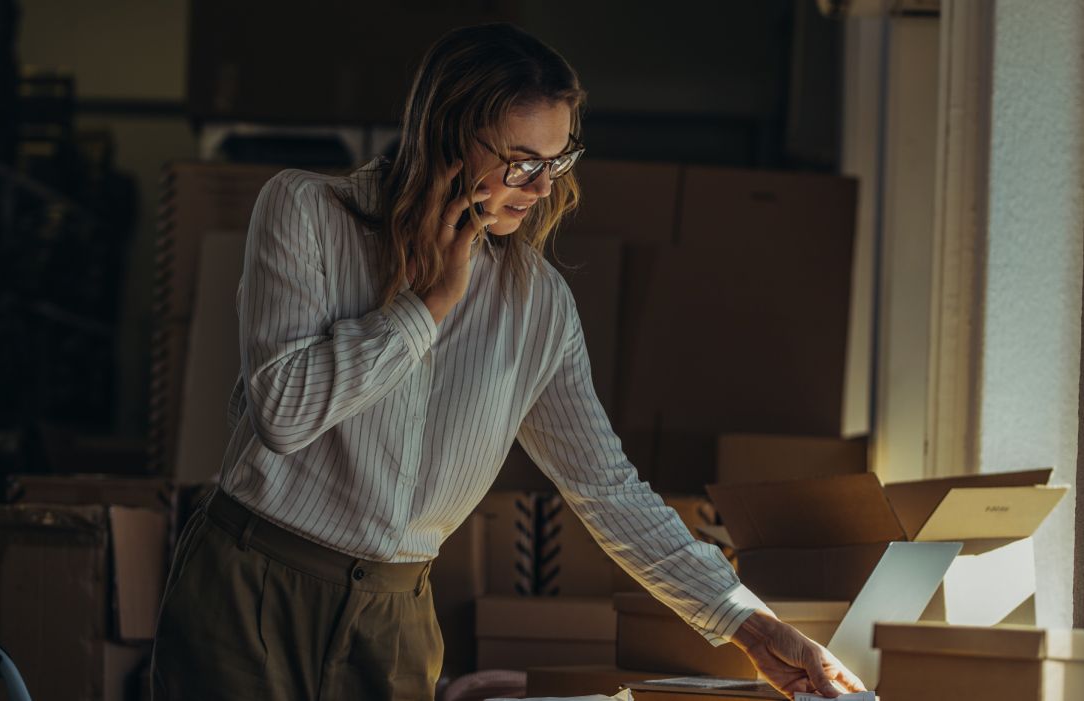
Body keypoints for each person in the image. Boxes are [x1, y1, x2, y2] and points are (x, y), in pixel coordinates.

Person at [151, 22, 866, 701]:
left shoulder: (537, 306)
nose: (543, 185)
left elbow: (608, 489)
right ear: (445, 138)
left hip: (393, 622)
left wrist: (751, 625)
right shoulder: (305, 212)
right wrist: (424, 307)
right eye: (523, 161)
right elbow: (282, 412)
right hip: (249, 588)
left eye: (559, 160)